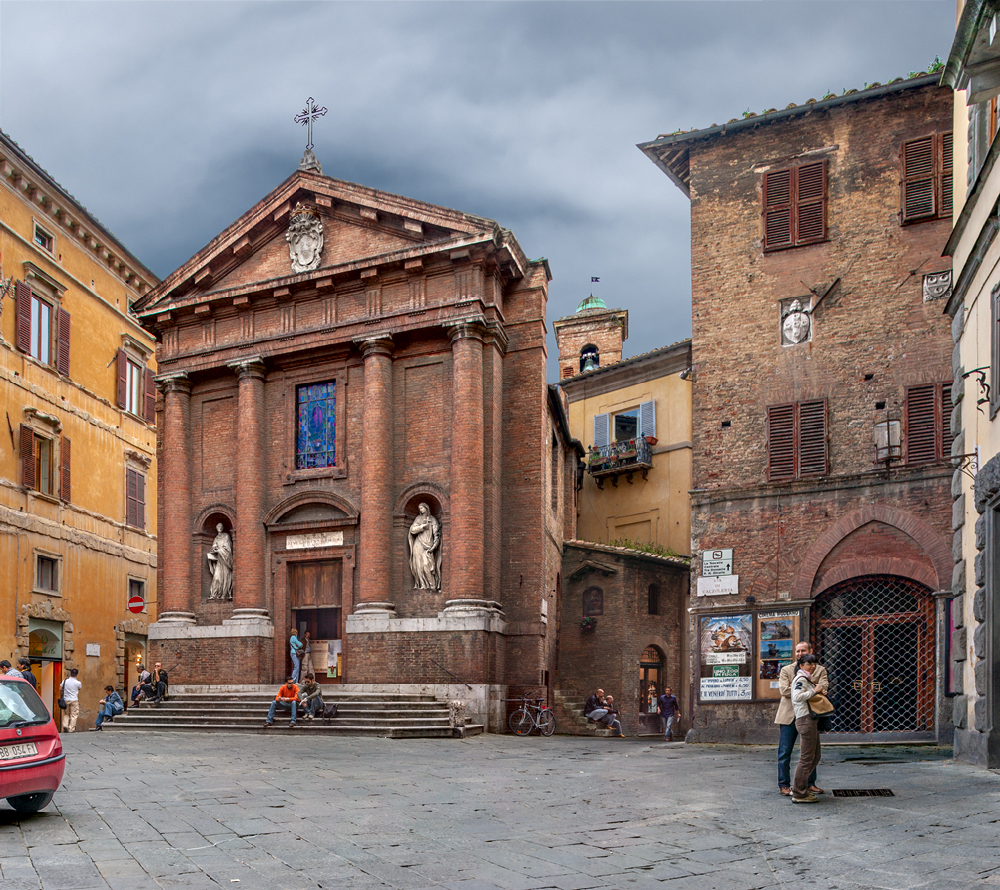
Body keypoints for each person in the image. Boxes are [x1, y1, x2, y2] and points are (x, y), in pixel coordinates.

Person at [775, 641, 828, 796]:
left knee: (811, 751)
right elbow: (784, 691)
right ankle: (784, 785)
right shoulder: (786, 669)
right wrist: (813, 688)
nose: (799, 654)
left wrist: (798, 687)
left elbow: (824, 687)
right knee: (784, 752)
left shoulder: (819, 669)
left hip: (809, 715)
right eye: (797, 651)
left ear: (810, 650)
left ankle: (809, 783)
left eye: (803, 651)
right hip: (788, 715)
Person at [790, 654, 826, 803]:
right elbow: (797, 696)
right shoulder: (800, 679)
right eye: (808, 663)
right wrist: (814, 691)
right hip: (805, 720)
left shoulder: (806, 679)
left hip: (809, 720)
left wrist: (817, 691)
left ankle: (801, 788)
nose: (812, 666)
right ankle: (799, 793)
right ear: (801, 665)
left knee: (815, 756)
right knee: (806, 758)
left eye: (814, 663)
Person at [408, 503, 441, 590]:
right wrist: (422, 527)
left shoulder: (432, 519)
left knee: (427, 565)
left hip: (428, 545)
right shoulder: (418, 519)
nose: (421, 510)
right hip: (418, 543)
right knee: (418, 565)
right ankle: (422, 585)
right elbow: (412, 530)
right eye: (420, 508)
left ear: (426, 508)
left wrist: (434, 546)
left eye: (422, 508)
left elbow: (436, 534)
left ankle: (432, 585)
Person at [206, 523, 233, 600]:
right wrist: (214, 549)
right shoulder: (216, 538)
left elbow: (228, 548)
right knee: (216, 578)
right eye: (218, 526)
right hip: (219, 561)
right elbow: (213, 548)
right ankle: (214, 594)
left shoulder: (226, 536)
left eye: (221, 526)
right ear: (216, 528)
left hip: (225, 561)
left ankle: (225, 595)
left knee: (225, 578)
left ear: (223, 527)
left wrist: (219, 550)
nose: (219, 528)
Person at [62, 668, 82, 732]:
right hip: (74, 699)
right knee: (74, 715)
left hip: (66, 699)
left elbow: (60, 688)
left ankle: (65, 725)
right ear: (76, 675)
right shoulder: (78, 683)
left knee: (66, 714)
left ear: (70, 674)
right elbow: (79, 689)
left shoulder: (65, 681)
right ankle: (71, 729)